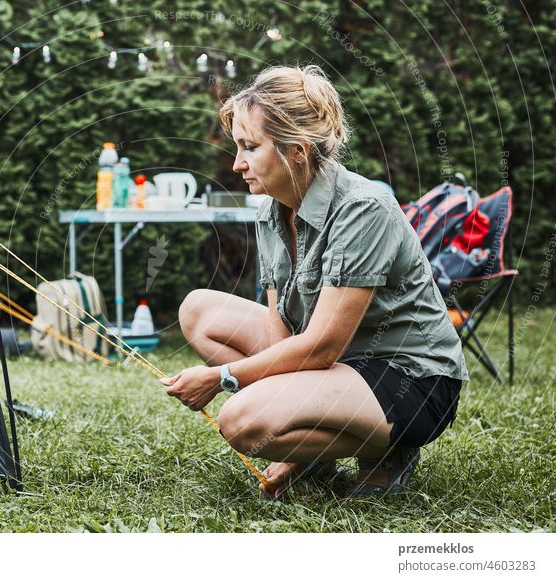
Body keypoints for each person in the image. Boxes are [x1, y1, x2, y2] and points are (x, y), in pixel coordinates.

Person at [161, 65, 469, 498]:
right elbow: (279, 331)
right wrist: (288, 431)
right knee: (198, 309)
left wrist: (223, 377)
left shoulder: (364, 208)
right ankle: (310, 450)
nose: (237, 164)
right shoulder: (271, 211)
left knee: (242, 420)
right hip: (335, 367)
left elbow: (324, 345)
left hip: (407, 376)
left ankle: (391, 451)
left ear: (297, 151)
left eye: (250, 147)